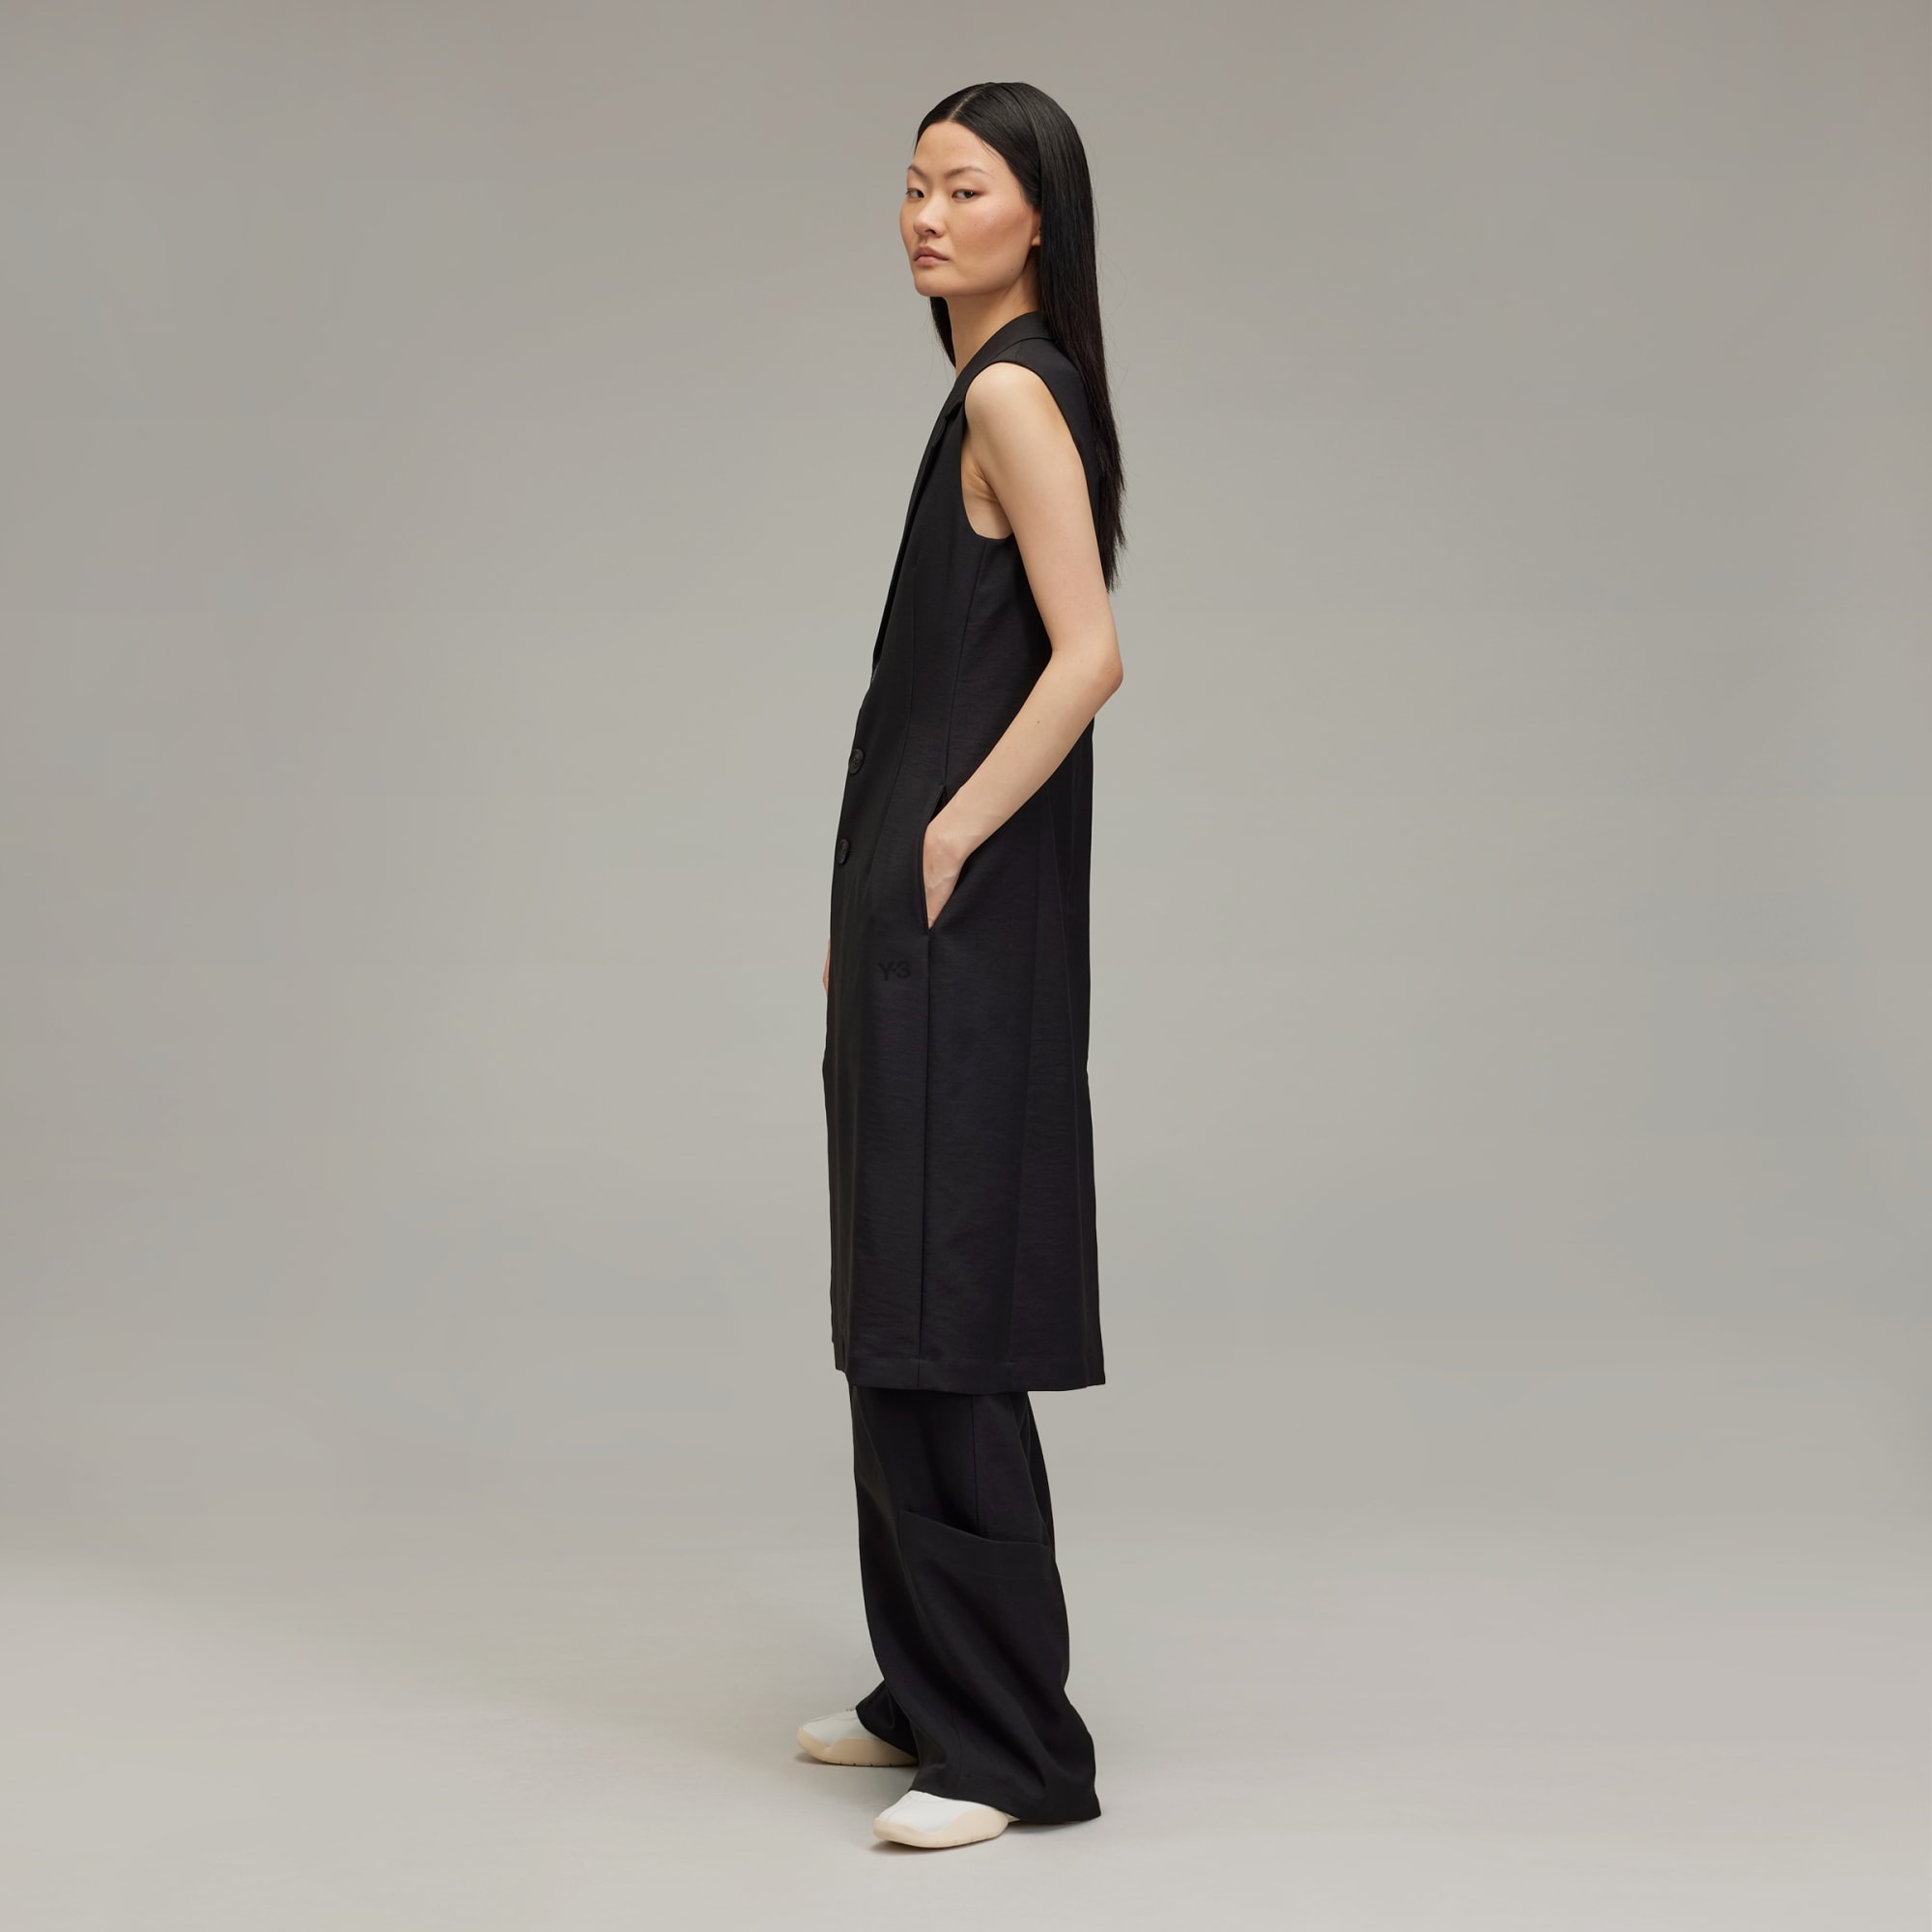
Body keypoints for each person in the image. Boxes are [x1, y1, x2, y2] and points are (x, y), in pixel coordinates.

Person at [803, 81, 1127, 1851]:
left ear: (1039, 218)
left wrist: (943, 842)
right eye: (913, 186)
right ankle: (924, 1683)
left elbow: (1089, 657)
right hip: (912, 922)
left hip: (961, 917)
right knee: (896, 1301)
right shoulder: (983, 389)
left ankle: (1011, 1750)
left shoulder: (1011, 390)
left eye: (966, 188)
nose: (927, 216)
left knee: (943, 1306)